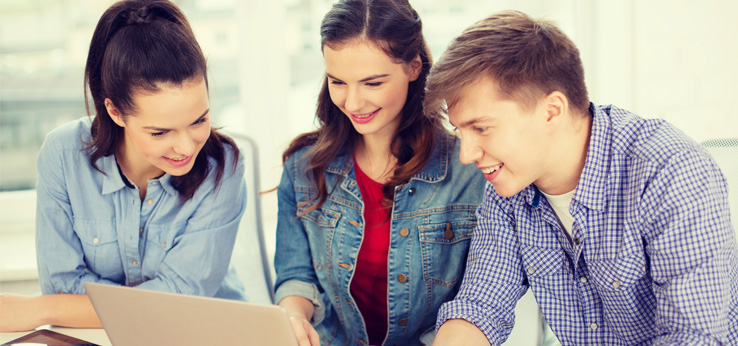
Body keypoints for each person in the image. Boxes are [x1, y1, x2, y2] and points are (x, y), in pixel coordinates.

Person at [424, 10, 738, 345]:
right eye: (460, 130)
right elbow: (480, 306)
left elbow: (693, 337)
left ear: (552, 110)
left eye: (481, 128)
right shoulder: (510, 187)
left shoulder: (670, 171)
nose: (466, 154)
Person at [0, 0, 246, 332]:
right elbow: (63, 284)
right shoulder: (61, 154)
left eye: (199, 120)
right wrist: (152, 303)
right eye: (160, 132)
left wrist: (44, 309)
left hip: (203, 334)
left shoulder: (224, 166)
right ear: (116, 113)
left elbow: (182, 299)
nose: (187, 147)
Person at [272, 0, 487, 345]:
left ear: (414, 67)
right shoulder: (303, 166)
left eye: (372, 83)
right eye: (338, 82)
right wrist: (294, 318)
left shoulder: (469, 173)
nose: (353, 103)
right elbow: (296, 276)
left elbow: (477, 301)